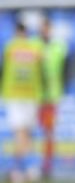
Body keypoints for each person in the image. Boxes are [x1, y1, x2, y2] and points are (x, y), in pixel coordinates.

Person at [1, 22, 43, 182]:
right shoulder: (34, 49)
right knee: (26, 133)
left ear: (16, 32)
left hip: (14, 95)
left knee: (21, 133)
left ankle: (19, 169)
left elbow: (3, 69)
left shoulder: (10, 48)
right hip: (30, 95)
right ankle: (28, 168)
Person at [37, 19, 68, 179]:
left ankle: (47, 164)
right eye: (43, 29)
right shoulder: (34, 46)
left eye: (47, 29)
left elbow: (65, 70)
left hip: (51, 97)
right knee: (32, 130)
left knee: (49, 132)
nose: (45, 32)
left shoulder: (59, 47)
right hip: (34, 96)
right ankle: (30, 163)